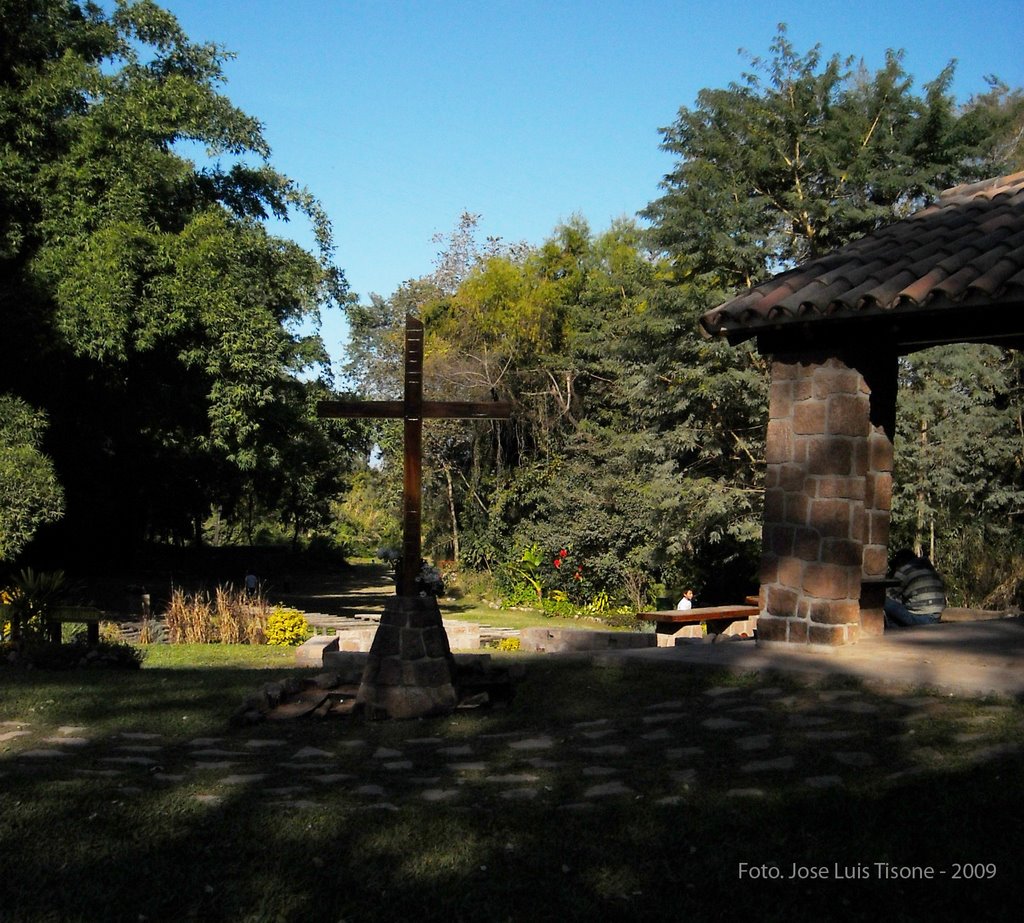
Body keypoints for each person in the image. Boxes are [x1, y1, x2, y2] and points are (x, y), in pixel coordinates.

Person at [883, 549, 945, 627]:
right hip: (936, 616)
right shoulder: (928, 568)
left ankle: (893, 631)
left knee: (882, 601)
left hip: (921, 617)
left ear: (900, 562)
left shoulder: (905, 570)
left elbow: (888, 594)